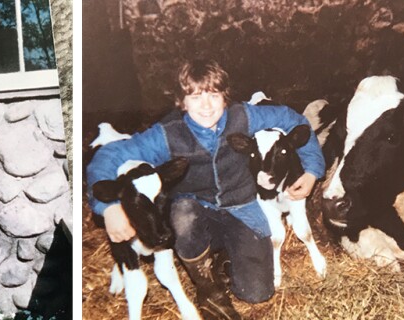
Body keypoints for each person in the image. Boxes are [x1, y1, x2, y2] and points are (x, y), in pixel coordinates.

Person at [86, 58, 324, 319]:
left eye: (213, 94)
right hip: (194, 209)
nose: (207, 106)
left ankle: (222, 257)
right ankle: (208, 289)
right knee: (183, 214)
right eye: (196, 97)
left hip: (242, 206)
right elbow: (109, 156)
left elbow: (293, 120)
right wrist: (107, 207)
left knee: (256, 292)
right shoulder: (167, 133)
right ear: (182, 102)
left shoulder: (244, 116)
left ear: (225, 96)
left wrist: (312, 169)